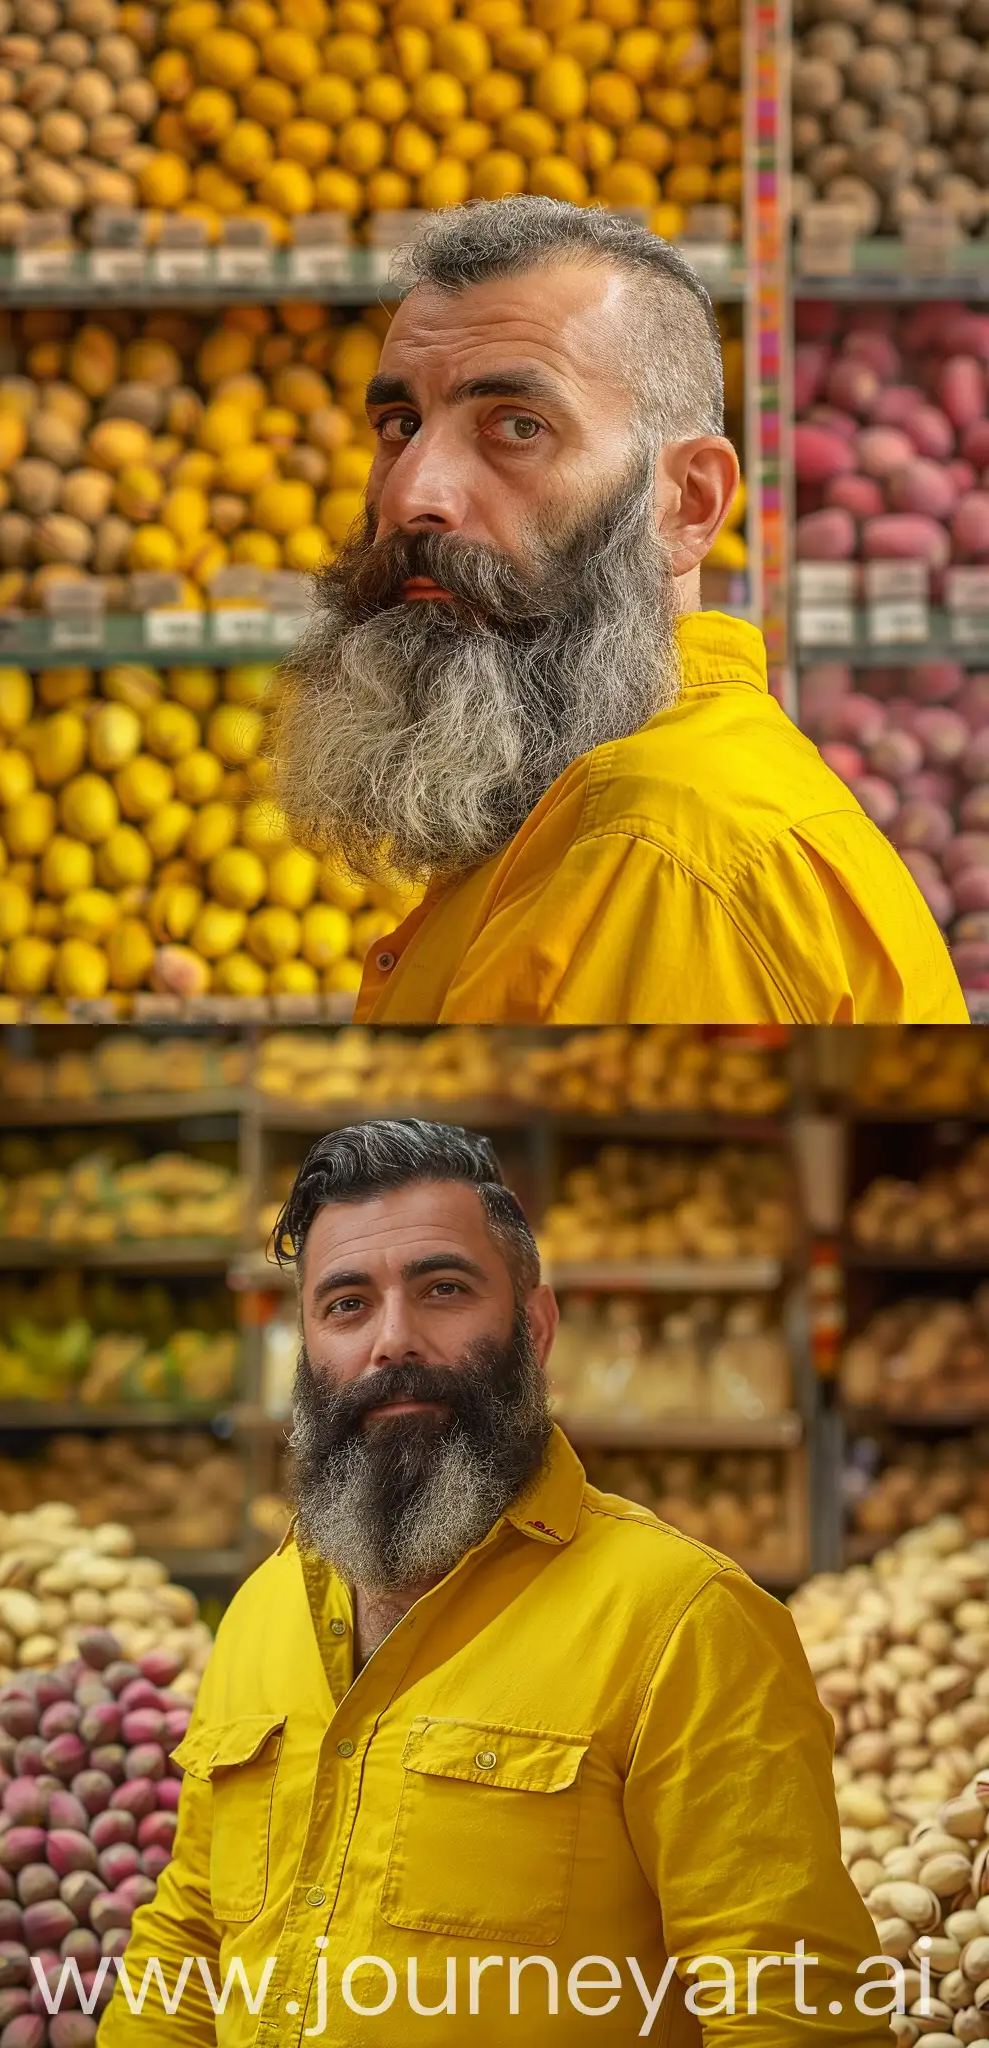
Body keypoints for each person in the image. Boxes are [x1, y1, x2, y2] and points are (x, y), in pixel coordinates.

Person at [98, 1119, 883, 2046]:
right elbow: (186, 1952)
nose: (394, 1341)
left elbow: (794, 2015)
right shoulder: (266, 1609)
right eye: (345, 1305)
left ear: (536, 1325)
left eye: (443, 1289)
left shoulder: (684, 1622)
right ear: (305, 1348)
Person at [270, 197, 964, 1024]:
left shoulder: (660, 853)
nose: (413, 492)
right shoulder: (572, 795)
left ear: (687, 505)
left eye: (517, 426)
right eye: (400, 423)